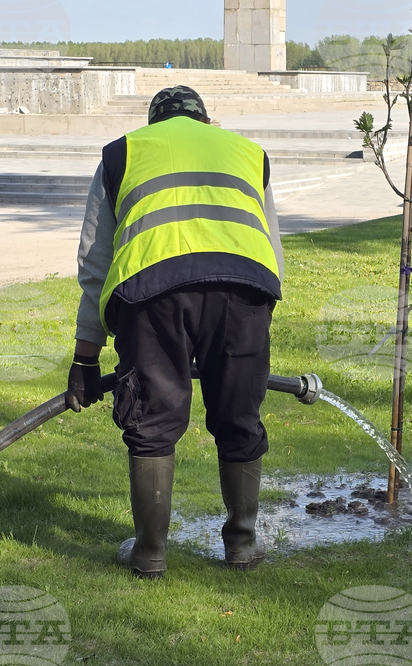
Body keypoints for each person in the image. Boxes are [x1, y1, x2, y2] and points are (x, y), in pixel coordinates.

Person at [66, 86, 284, 579]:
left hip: (151, 291)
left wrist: (85, 359)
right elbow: (272, 248)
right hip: (246, 287)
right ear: (207, 122)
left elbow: (95, 266)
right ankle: (242, 547)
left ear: (153, 123)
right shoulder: (251, 155)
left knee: (154, 418)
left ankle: (149, 554)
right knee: (238, 415)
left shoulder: (122, 154)